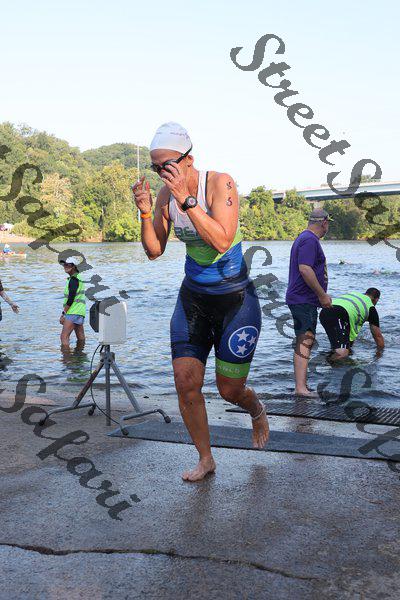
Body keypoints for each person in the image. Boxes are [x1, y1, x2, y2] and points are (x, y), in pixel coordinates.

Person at [132, 121, 269, 482]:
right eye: (156, 168)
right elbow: (154, 251)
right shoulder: (165, 196)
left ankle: (256, 409)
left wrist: (187, 200)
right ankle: (206, 459)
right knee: (185, 381)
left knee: (229, 390)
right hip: (193, 300)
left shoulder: (220, 183)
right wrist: (145, 212)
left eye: (167, 165)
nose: (162, 174)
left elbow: (222, 240)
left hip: (235, 302)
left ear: (188, 160)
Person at [286, 208, 332, 397]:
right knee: (305, 340)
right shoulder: (309, 240)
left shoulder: (305, 238)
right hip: (303, 299)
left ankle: (301, 386)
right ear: (324, 223)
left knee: (306, 339)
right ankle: (301, 388)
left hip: (303, 299)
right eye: (328, 224)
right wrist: (322, 295)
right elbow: (305, 269)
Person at [319, 288, 384, 360]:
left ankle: (325, 360)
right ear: (376, 299)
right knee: (342, 353)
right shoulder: (371, 308)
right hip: (339, 314)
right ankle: (322, 363)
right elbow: (378, 337)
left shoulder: (354, 295)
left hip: (324, 312)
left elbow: (349, 331)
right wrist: (380, 353)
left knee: (341, 347)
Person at [59, 257, 86, 347]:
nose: (65, 266)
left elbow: (70, 299)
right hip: (80, 312)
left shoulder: (74, 279)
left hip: (73, 312)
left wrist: (64, 314)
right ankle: (80, 354)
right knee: (80, 337)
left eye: (68, 265)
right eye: (64, 264)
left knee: (64, 337)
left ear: (74, 266)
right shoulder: (78, 277)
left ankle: (66, 355)